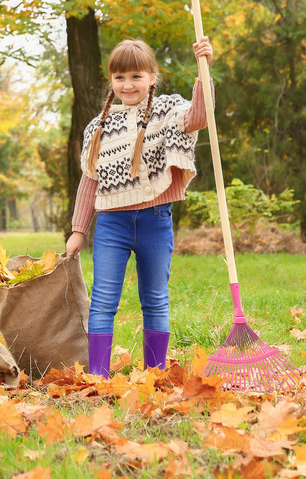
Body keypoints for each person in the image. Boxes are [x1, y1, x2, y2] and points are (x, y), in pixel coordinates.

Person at [64, 36, 213, 377]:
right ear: (111, 81)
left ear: (152, 77)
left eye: (136, 76)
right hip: (112, 225)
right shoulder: (97, 128)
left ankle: (154, 373)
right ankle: (99, 375)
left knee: (155, 299)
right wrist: (77, 231)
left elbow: (199, 117)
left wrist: (204, 73)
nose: (128, 84)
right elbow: (89, 181)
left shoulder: (167, 112)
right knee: (103, 301)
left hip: (155, 221)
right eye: (120, 78)